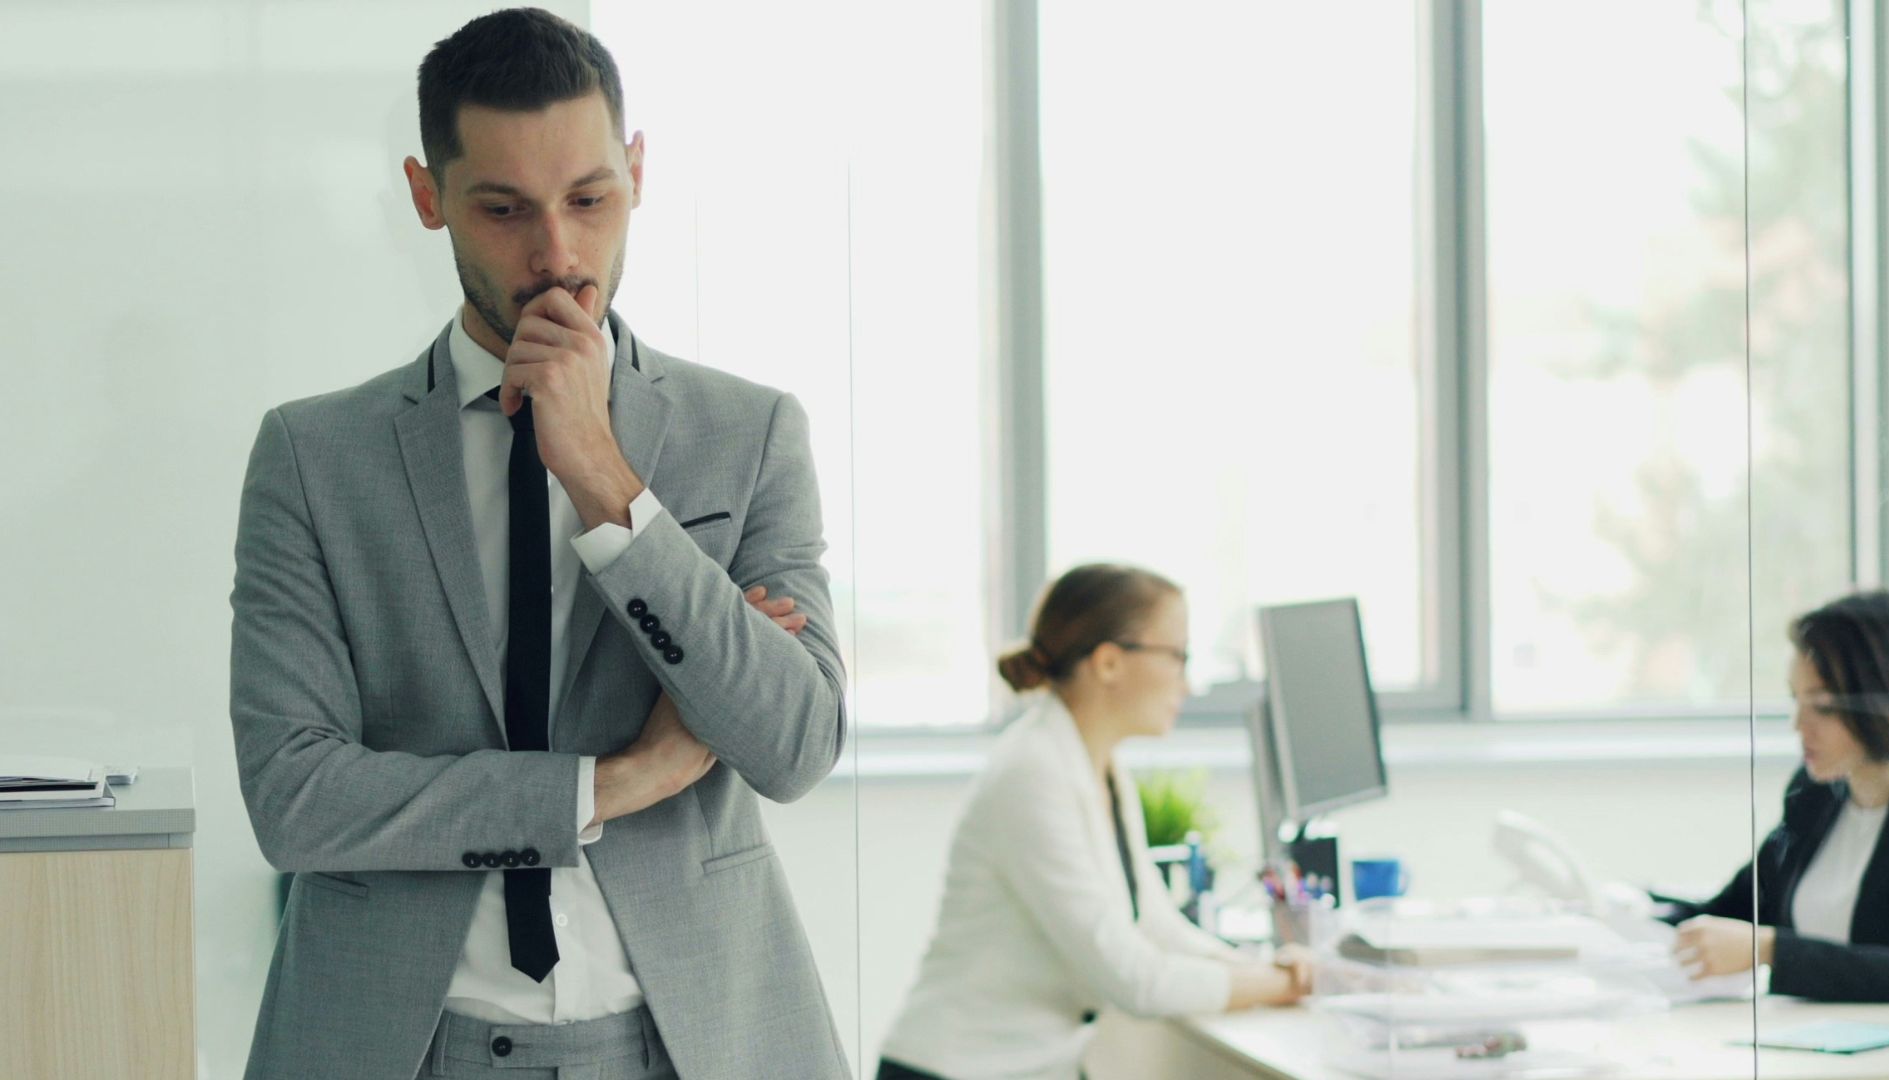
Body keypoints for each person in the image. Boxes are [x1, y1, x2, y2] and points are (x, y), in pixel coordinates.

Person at [228, 10, 849, 1078]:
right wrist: (611, 785)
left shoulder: (747, 436)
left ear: (638, 173)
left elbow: (793, 744)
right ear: (428, 196)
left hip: (692, 1043)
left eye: (590, 200)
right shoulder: (315, 458)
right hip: (401, 1046)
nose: (557, 254)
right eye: (505, 208)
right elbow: (295, 799)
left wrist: (608, 483)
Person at [877, 564, 1314, 1080]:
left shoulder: (1098, 765)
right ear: (1108, 662)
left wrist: (1260, 969)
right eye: (1178, 657)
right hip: (954, 1069)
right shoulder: (1032, 772)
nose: (1188, 683)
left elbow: (1154, 924)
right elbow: (1133, 980)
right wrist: (1281, 983)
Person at [1667, 590, 1889, 1004]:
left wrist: (1771, 950)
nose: (1798, 725)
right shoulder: (1816, 795)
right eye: (1795, 700)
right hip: (1807, 1034)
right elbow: (1734, 908)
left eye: (1822, 707)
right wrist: (1632, 911)